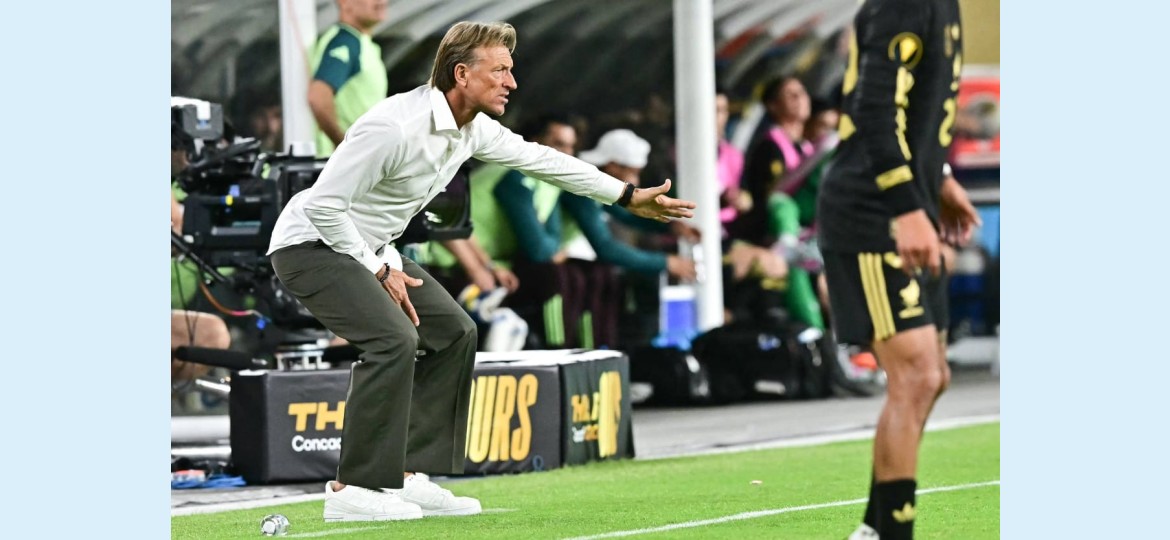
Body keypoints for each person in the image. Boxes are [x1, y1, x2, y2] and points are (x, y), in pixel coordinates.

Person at [266, 21, 695, 523]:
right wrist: (380, 268)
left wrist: (626, 195)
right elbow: (323, 207)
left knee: (454, 333)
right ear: (462, 74)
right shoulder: (394, 126)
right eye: (500, 71)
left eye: (510, 71)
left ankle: (403, 473)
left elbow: (543, 161)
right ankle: (352, 488)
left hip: (371, 249)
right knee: (393, 340)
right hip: (310, 245)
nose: (512, 82)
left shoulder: (475, 129)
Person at [816, 1, 979, 538]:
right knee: (915, 375)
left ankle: (874, 529)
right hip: (873, 212)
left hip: (909, 204)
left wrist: (941, 177)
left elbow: (919, 108)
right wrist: (907, 209)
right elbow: (874, 109)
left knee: (933, 377)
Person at [308, 0, 389, 157]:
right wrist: (345, 147)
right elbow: (318, 97)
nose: (382, 2)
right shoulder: (345, 42)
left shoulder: (359, 42)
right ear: (344, 2)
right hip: (334, 162)